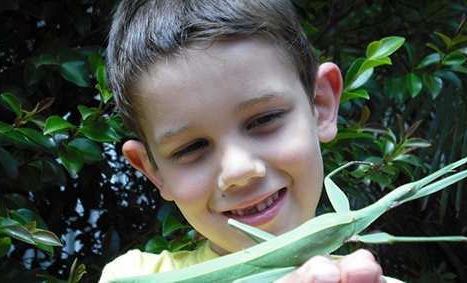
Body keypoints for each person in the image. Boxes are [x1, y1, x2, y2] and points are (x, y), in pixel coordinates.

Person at [100, 0, 393, 282]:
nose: (238, 171)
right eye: (191, 147)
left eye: (264, 119)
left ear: (321, 104)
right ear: (155, 172)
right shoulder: (132, 277)